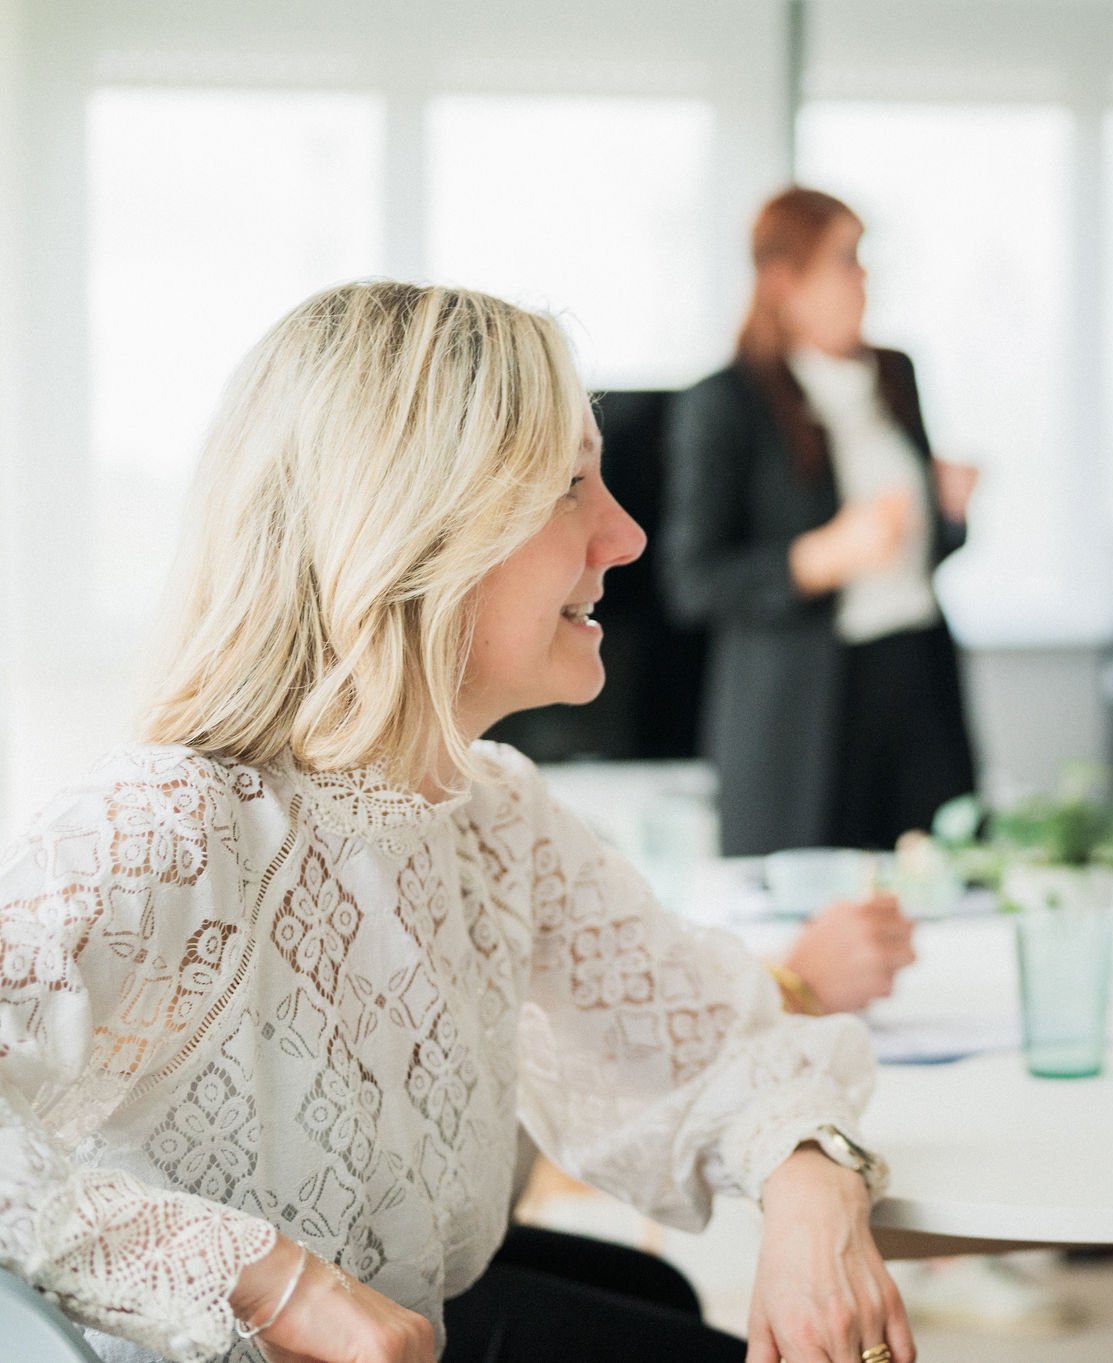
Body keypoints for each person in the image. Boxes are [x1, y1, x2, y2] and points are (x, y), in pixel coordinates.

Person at [0, 281, 913, 1363]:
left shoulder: (491, 811)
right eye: (570, 487)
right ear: (412, 529)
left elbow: (719, 1045)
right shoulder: (173, 821)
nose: (623, 536)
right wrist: (271, 1281)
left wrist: (811, 1194)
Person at [663, 186, 979, 857]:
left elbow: (925, 554)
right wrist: (821, 558)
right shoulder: (725, 403)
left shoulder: (897, 373)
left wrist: (949, 512)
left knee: (946, 878)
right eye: (846, 259)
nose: (864, 277)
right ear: (784, 279)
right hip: (804, 711)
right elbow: (691, 581)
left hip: (916, 676)